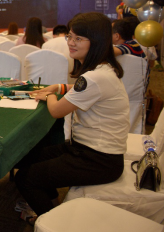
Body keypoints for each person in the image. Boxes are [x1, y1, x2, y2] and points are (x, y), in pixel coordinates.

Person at [16, 12, 129, 221]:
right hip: (86, 149)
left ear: (96, 42)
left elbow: (56, 110)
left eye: (78, 38)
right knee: (27, 157)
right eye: (70, 36)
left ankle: (52, 222)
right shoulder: (103, 69)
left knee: (25, 178)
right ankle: (55, 207)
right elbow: (78, 89)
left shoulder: (94, 77)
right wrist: (58, 87)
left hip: (99, 159)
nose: (70, 43)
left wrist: (49, 94)